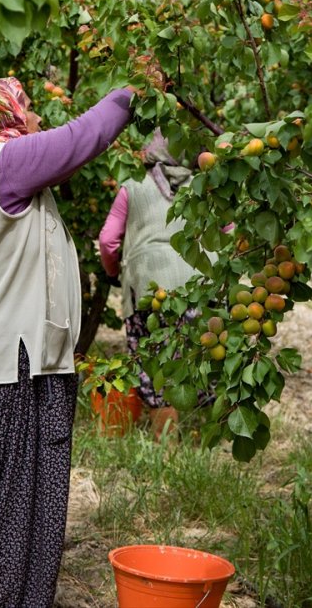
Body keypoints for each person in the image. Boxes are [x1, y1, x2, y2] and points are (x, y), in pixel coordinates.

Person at [0, 77, 134, 606]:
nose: (39, 120)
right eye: (28, 111)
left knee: (9, 528)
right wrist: (134, 90)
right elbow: (83, 137)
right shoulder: (3, 164)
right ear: (4, 117)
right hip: (3, 372)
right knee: (12, 526)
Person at [98, 131, 209, 436]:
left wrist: (114, 272)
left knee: (157, 366)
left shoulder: (132, 186)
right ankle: (209, 434)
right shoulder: (202, 187)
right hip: (199, 288)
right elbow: (229, 230)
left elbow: (108, 240)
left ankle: (167, 444)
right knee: (196, 359)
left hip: (149, 289)